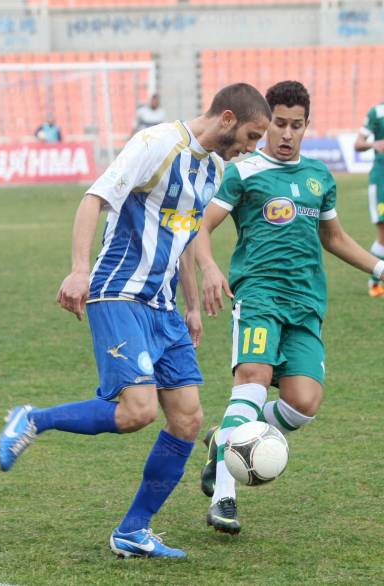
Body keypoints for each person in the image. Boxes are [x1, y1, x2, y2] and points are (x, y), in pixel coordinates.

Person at [0, 83, 271, 559]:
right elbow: (93, 199)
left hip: (162, 306)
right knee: (137, 412)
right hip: (117, 291)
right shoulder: (157, 144)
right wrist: (80, 271)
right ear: (227, 118)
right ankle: (33, 419)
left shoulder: (215, 167)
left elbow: (181, 234)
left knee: (187, 419)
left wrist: (189, 304)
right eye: (251, 135)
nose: (252, 147)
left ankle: (133, 531)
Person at [195, 81, 384, 535]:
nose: (286, 133)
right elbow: (201, 225)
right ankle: (224, 497)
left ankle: (224, 439)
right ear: (268, 121)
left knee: (303, 404)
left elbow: (333, 238)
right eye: (279, 123)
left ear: (306, 126)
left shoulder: (320, 176)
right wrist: (209, 268)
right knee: (253, 384)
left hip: (307, 303)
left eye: (296, 126)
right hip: (259, 295)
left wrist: (378, 266)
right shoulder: (243, 172)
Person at [354, 102, 384, 297]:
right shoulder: (377, 112)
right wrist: (374, 144)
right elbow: (358, 143)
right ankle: (375, 282)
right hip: (381, 180)